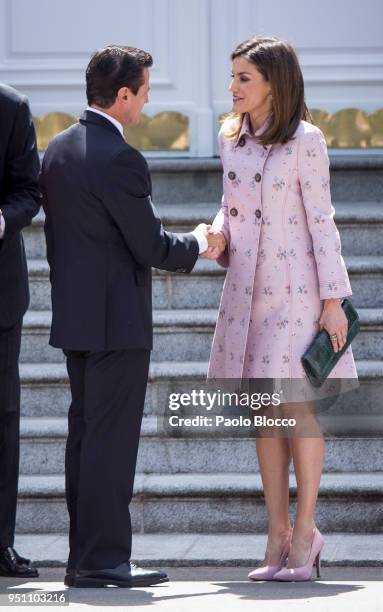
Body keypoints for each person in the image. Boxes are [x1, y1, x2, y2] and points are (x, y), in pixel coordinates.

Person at [40, 45, 225, 589]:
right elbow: (151, 246)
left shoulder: (57, 147)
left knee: (86, 441)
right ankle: (103, 562)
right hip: (116, 325)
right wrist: (201, 241)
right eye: (144, 91)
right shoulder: (121, 157)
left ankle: (85, 557)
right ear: (123, 96)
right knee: (110, 445)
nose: (146, 103)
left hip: (76, 321)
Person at [206, 36, 358, 582]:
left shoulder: (307, 140)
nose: (233, 88)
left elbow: (323, 220)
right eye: (233, 77)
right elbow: (230, 207)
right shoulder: (231, 138)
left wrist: (333, 301)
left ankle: (306, 534)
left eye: (244, 78)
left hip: (297, 294)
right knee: (265, 418)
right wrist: (218, 234)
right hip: (248, 293)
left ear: (275, 81)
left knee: (295, 411)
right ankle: (276, 534)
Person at [0, 83, 41, 578]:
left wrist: (2, 220)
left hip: (0, 295)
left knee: (2, 419)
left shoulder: (11, 107)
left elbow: (27, 191)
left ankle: (1, 543)